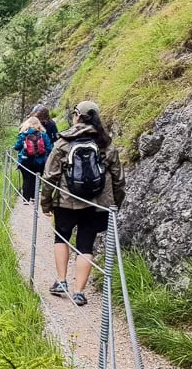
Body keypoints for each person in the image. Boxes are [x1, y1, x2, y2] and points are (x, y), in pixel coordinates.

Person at [40, 101, 125, 306]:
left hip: (66, 203)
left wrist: (46, 204)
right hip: (96, 205)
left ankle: (61, 282)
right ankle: (79, 292)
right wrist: (116, 203)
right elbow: (118, 179)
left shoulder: (64, 142)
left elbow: (50, 176)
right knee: (86, 245)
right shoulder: (106, 144)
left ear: (77, 115)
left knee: (61, 238)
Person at [13, 116, 52, 203]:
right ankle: (34, 197)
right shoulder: (43, 134)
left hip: (25, 160)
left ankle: (26, 199)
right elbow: (49, 148)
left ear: (27, 124)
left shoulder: (24, 134)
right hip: (40, 161)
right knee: (36, 178)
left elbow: (17, 147)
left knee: (26, 179)